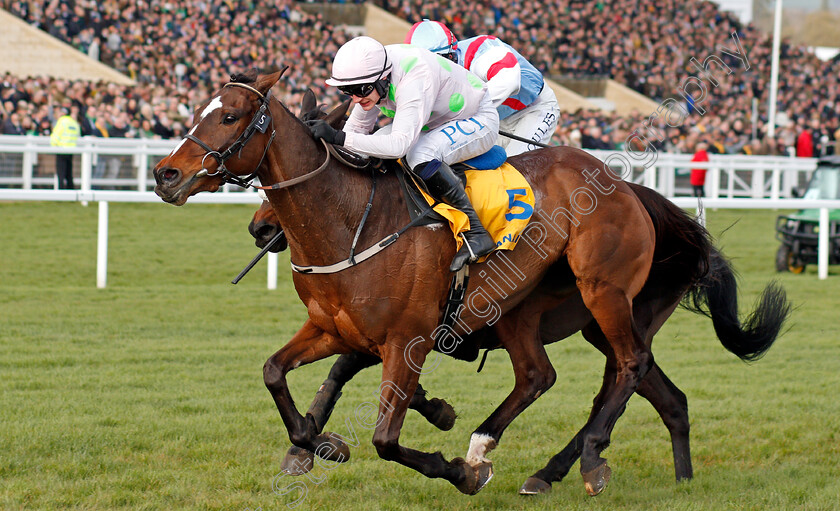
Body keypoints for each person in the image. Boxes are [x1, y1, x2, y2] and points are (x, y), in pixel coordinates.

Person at [308, 36, 500, 272]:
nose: (356, 99)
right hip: (434, 121)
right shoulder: (373, 73)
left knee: (418, 154)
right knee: (373, 143)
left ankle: (476, 232)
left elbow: (399, 145)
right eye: (347, 91)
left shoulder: (413, 77)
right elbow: (355, 131)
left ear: (382, 78)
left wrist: (338, 137)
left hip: (477, 118)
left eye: (360, 90)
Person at [404, 20, 560, 155]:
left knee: (516, 168)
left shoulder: (481, 51)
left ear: (450, 55)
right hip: (496, 119)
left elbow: (509, 80)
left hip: (533, 110)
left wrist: (461, 111)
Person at [50, 106, 81, 189]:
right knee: (69, 173)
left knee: (61, 173)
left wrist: (53, 145)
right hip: (71, 150)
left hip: (61, 149)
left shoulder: (62, 121)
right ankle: (70, 190)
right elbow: (78, 135)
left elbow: (56, 134)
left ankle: (61, 192)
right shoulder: (74, 122)